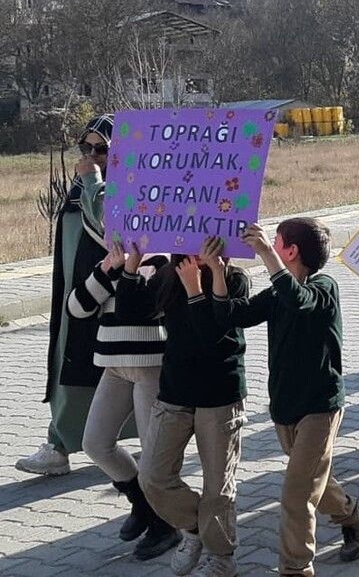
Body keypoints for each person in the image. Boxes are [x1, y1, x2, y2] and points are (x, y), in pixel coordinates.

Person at [211, 218, 359, 575]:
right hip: (285, 408)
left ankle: (295, 569)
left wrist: (266, 254)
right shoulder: (276, 292)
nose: (268, 244)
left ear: (290, 250)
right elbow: (230, 315)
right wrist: (217, 272)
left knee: (296, 495)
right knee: (314, 480)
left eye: (276, 241)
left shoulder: (323, 286)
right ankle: (355, 517)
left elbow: (299, 300)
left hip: (320, 407)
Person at [123, 237, 251, 577]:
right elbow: (132, 310)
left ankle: (222, 558)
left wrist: (197, 287)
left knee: (217, 487)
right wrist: (132, 265)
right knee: (152, 476)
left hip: (219, 396)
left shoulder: (234, 279)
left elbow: (215, 339)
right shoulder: (167, 274)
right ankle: (196, 530)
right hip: (175, 394)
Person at [69, 240, 178, 561]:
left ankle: (165, 523)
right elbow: (77, 307)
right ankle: (141, 503)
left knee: (152, 453)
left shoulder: (163, 261)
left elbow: (143, 307)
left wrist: (133, 266)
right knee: (95, 443)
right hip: (113, 367)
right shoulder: (108, 262)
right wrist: (106, 269)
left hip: (150, 367)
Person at [19, 115, 115, 477]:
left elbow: (110, 225)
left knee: (117, 373)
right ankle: (59, 444)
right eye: (85, 147)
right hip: (75, 293)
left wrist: (94, 179)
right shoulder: (82, 186)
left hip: (108, 294)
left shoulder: (117, 186)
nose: (91, 155)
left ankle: (64, 443)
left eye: (101, 149)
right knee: (69, 365)